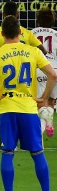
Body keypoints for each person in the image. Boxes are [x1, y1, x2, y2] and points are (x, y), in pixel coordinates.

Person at [0, 15, 57, 191]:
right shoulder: (32, 51)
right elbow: (53, 75)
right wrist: (44, 98)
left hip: (8, 110)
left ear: (2, 34)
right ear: (20, 32)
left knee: (7, 153)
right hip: (29, 109)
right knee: (37, 152)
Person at [0, 1, 46, 152]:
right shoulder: (26, 33)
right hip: (25, 79)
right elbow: (43, 50)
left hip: (5, 77)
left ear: (3, 14)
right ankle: (19, 143)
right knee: (25, 108)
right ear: (18, 15)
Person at [32, 8, 57, 137]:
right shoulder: (56, 34)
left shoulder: (31, 33)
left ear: (38, 20)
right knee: (51, 101)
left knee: (40, 102)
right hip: (54, 70)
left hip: (38, 69)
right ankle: (49, 123)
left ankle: (39, 132)